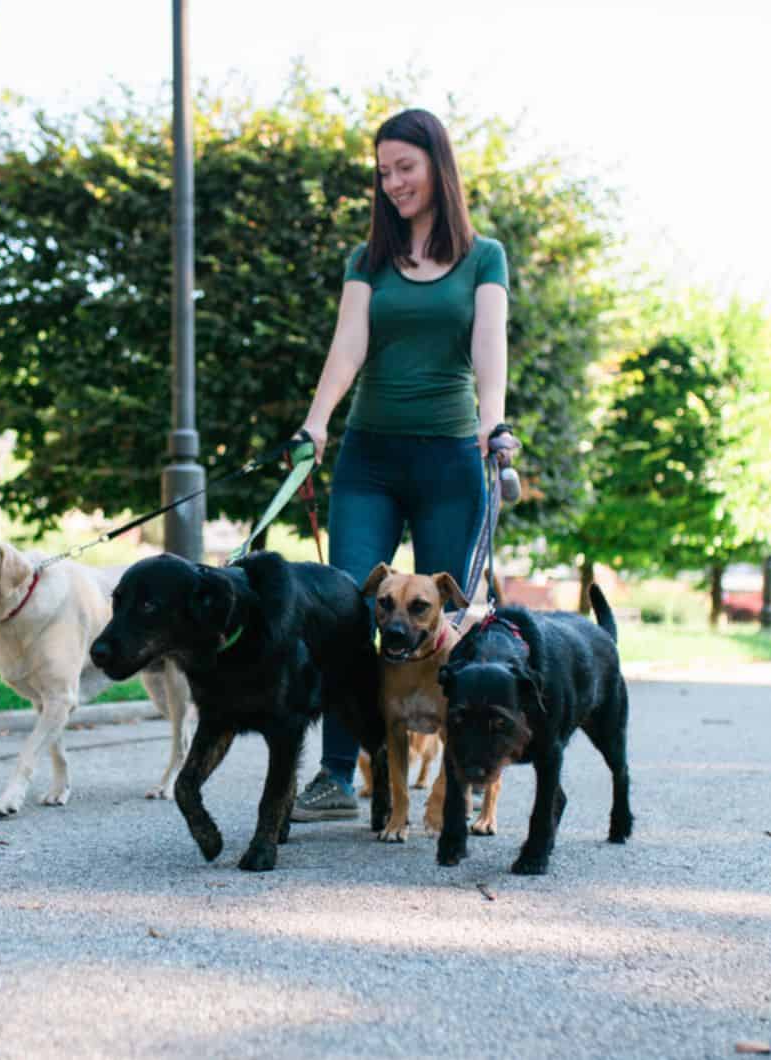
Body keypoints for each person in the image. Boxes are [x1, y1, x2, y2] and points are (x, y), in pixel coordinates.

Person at [290, 107, 519, 822]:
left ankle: (460, 775)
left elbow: (489, 344)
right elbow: (348, 343)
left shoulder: (485, 257)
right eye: (383, 172)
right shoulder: (369, 260)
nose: (392, 182)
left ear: (437, 167)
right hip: (369, 459)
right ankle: (333, 775)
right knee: (347, 607)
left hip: (451, 459)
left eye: (405, 168)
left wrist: (493, 424)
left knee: (449, 623)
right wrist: (316, 421)